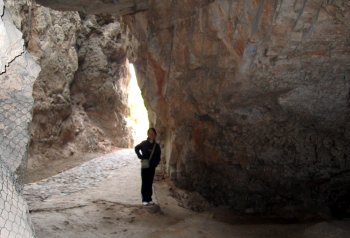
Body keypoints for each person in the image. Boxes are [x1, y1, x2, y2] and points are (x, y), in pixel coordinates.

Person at [134, 128, 161, 206]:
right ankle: (144, 199)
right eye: (149, 133)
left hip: (152, 167)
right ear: (148, 134)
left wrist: (155, 164)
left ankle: (149, 199)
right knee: (145, 182)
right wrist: (140, 156)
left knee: (150, 182)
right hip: (145, 166)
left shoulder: (157, 146)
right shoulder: (144, 143)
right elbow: (136, 148)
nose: (151, 135)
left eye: (153, 133)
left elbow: (158, 157)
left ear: (155, 135)